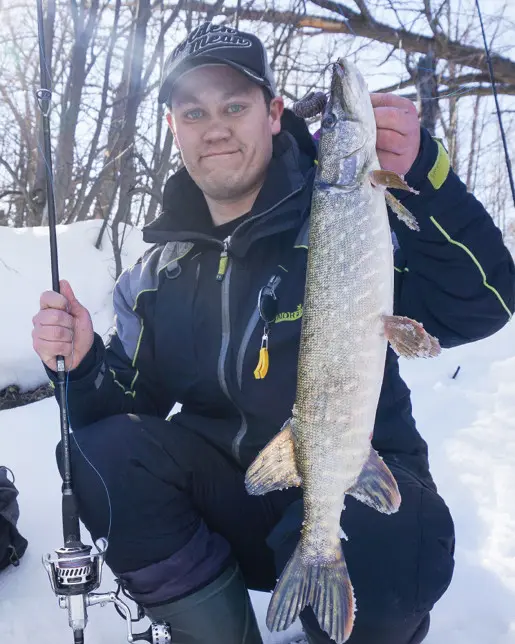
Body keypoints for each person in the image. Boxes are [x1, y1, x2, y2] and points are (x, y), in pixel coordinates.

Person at [32, 21, 515, 644]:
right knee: (97, 455)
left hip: (359, 481)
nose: (217, 126)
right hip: (230, 504)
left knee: (390, 559)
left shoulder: (348, 218)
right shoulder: (155, 274)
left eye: (236, 104)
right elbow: (125, 416)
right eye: (194, 111)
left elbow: (485, 303)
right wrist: (83, 364)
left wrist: (429, 173)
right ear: (174, 128)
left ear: (274, 111)